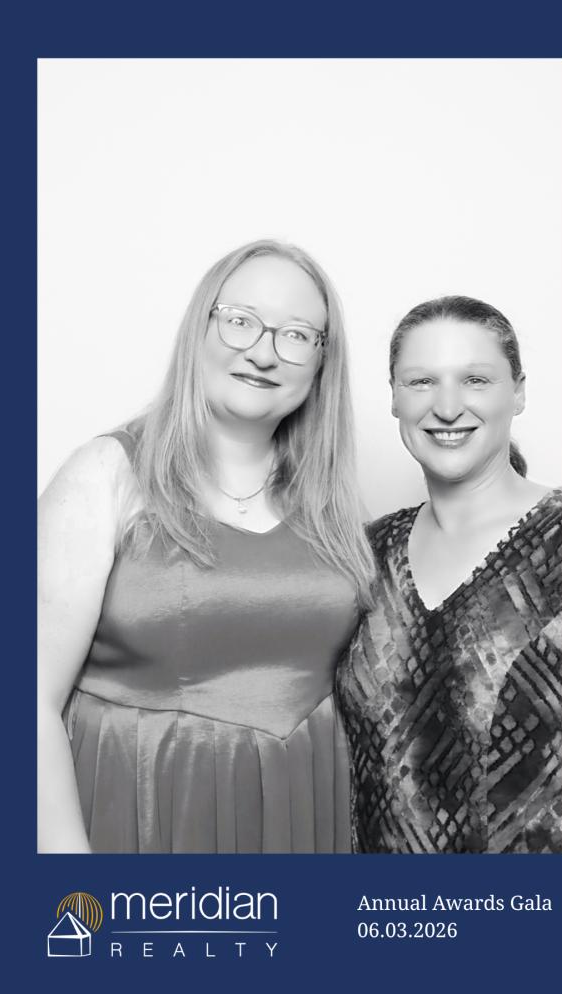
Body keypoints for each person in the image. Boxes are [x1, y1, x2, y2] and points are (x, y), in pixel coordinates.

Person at [38, 239, 374, 853]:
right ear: (201, 326)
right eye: (241, 321)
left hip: (303, 817)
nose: (263, 353)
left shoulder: (334, 505)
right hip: (138, 815)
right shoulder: (106, 474)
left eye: (297, 335)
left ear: (323, 361)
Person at [337, 295, 562, 853]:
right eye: (421, 382)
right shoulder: (364, 553)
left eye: (475, 380)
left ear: (518, 391)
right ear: (394, 396)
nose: (446, 406)